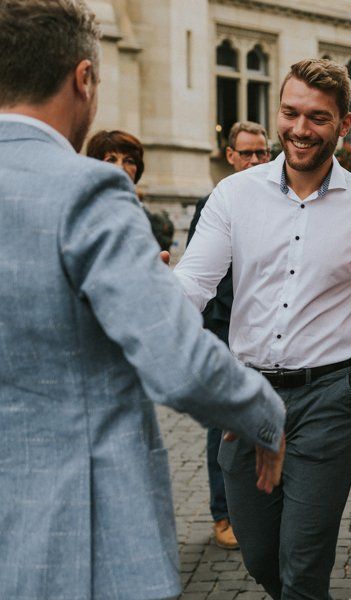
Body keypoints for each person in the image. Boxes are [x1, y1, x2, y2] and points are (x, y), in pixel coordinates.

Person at [0, 2, 285, 599]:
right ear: (83, 79)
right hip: (78, 534)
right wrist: (264, 415)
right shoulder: (86, 189)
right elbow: (177, 359)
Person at [174, 58, 351, 600]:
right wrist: (149, 298)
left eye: (318, 118)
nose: (300, 129)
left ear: (344, 124)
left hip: (329, 398)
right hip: (248, 397)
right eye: (290, 113)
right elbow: (193, 283)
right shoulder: (233, 194)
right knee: (261, 556)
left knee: (302, 568)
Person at [185, 120, 271, 550]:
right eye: (247, 153)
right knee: (223, 424)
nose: (255, 160)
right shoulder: (215, 201)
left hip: (266, 330)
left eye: (262, 152)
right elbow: (199, 274)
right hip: (223, 327)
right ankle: (223, 514)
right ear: (230, 156)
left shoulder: (277, 201)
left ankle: (258, 508)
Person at [85, 129, 175, 251]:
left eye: (129, 161)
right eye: (111, 160)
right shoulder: (85, 212)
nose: (120, 167)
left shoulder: (149, 219)